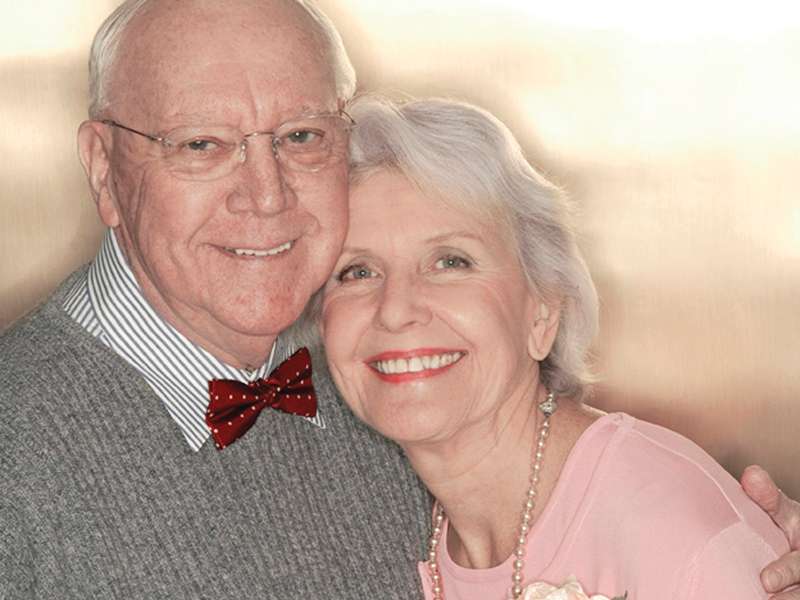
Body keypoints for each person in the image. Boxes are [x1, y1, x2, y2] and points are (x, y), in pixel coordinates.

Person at [0, 0, 798, 598]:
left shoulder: (379, 401)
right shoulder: (19, 453)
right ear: (102, 168)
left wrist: (724, 547)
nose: (266, 195)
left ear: (544, 308)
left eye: (301, 136)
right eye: (201, 144)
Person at [314, 94, 800, 599]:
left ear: (543, 308)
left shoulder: (667, 527)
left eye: (451, 261)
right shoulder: (374, 522)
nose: (395, 310)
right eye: (357, 271)